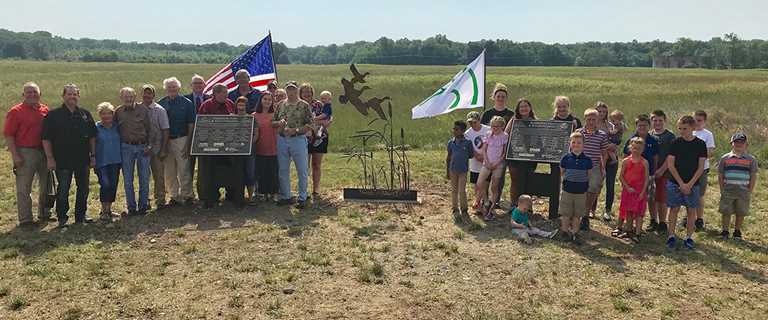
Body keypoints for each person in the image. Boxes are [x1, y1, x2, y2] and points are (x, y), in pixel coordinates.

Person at [42, 84, 97, 227]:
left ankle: (81, 215)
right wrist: (49, 158)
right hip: (62, 159)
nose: (72, 97)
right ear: (63, 96)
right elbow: (46, 138)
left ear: (78, 96)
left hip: (82, 159)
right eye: (69, 94)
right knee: (63, 188)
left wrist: (93, 155)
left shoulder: (85, 114)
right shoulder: (53, 115)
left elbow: (92, 137)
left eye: (75, 94)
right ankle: (62, 216)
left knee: (83, 188)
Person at [4, 82, 51, 227]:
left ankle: (44, 213)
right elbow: (9, 135)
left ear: (40, 94)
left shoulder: (45, 109)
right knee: (24, 187)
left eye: (35, 92)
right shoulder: (15, 111)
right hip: (25, 151)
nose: (32, 95)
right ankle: (26, 219)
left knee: (47, 185)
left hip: (44, 151)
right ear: (23, 95)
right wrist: (15, 155)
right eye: (28, 92)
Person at [665, 115, 707, 250]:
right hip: (675, 182)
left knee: (691, 211)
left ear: (693, 128)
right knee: (674, 209)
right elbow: (670, 164)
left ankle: (689, 237)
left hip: (693, 184)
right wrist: (681, 183)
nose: (682, 131)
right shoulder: (675, 142)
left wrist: (689, 184)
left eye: (685, 128)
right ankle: (671, 236)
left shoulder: (700, 144)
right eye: (680, 128)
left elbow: (701, 167)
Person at [197, 84, 243, 209]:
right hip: (212, 146)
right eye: (224, 93)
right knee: (211, 172)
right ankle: (211, 197)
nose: (226, 95)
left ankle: (231, 195)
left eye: (227, 93)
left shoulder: (229, 103)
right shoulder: (206, 105)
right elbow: (201, 124)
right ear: (216, 93)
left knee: (230, 170)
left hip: (228, 146)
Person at [273, 81, 313, 208]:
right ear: (286, 91)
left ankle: (302, 197)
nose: (291, 91)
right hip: (282, 139)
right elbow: (273, 122)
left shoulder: (304, 105)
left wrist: (295, 130)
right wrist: (279, 123)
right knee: (283, 169)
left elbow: (310, 124)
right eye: (288, 89)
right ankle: (286, 196)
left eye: (293, 89)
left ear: (297, 90)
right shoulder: (280, 105)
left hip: (298, 139)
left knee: (301, 169)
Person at [114, 87, 152, 215]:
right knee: (128, 179)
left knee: (144, 178)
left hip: (143, 147)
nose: (128, 99)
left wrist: (149, 145)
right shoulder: (118, 112)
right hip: (126, 147)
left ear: (135, 96)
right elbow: (115, 130)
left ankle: (143, 206)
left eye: (131, 96)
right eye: (126, 96)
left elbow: (150, 129)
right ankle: (131, 207)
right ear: (121, 97)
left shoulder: (143, 110)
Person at [158, 78, 195, 206]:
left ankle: (188, 195)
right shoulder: (161, 103)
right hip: (166, 141)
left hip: (182, 138)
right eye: (169, 87)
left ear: (179, 88)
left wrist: (189, 142)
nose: (172, 89)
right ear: (166, 89)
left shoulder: (187, 103)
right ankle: (174, 196)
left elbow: (191, 124)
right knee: (169, 170)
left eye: (174, 87)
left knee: (184, 168)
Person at [621, 115, 658, 230]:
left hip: (648, 175)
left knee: (649, 198)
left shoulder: (653, 140)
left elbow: (656, 157)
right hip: (632, 178)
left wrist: (654, 172)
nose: (642, 127)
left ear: (649, 126)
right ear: (636, 126)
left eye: (645, 125)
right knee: (630, 200)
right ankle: (627, 224)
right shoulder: (631, 140)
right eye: (639, 125)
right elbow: (625, 157)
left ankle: (652, 220)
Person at [718, 133, 758, 240]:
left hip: (743, 190)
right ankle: (725, 231)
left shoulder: (751, 159)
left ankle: (737, 231)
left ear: (746, 145)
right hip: (728, 189)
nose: (739, 145)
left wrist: (750, 189)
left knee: (741, 212)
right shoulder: (725, 158)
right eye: (736, 142)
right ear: (732, 144)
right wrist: (722, 188)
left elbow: (753, 175)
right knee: (726, 211)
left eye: (742, 142)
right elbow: (721, 174)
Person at [480, 83, 514, 208]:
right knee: (486, 177)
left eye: (503, 96)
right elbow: (483, 132)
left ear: (506, 98)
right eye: (498, 96)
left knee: (499, 178)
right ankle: (485, 199)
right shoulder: (488, 113)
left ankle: (496, 200)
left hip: (502, 150)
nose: (500, 98)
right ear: (494, 97)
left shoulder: (511, 113)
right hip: (489, 150)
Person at [575, 109, 609, 230]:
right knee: (579, 189)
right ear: (585, 119)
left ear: (597, 120)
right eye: (588, 119)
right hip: (579, 164)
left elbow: (604, 153)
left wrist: (603, 167)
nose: (591, 121)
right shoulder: (578, 132)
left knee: (593, 188)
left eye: (593, 119)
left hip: (594, 165)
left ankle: (585, 214)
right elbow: (572, 149)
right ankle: (576, 215)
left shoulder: (602, 135)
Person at [558, 132, 592, 245]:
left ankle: (575, 233)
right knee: (566, 213)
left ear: (583, 145)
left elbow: (589, 174)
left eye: (579, 142)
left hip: (581, 191)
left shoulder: (587, 160)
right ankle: (564, 231)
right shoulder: (566, 158)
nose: (576, 145)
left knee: (577, 214)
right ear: (570, 144)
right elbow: (562, 172)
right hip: (567, 190)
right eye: (573, 142)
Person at [140, 85, 170, 210]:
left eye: (149, 93)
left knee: (159, 175)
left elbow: (165, 130)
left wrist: (163, 149)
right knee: (143, 176)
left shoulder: (160, 110)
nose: (147, 96)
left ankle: (160, 199)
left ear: (153, 95)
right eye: (145, 93)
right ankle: (144, 200)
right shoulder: (137, 108)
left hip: (157, 148)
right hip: (142, 148)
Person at [614, 137, 650, 243]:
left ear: (642, 149)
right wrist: (627, 187)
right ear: (630, 148)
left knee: (639, 212)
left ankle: (637, 233)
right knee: (627, 210)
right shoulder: (625, 161)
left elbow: (646, 178)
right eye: (634, 148)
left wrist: (643, 192)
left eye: (639, 148)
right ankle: (628, 230)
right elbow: (621, 176)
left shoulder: (645, 162)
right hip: (628, 190)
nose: (636, 150)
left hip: (639, 191)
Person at [503, 98, 536, 208]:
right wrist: (504, 151)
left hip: (530, 157)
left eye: (526, 106)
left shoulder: (535, 121)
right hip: (514, 156)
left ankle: (527, 206)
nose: (524, 108)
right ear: (518, 109)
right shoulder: (513, 120)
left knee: (529, 180)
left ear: (530, 108)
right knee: (515, 180)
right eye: (521, 107)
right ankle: (514, 204)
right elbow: (505, 135)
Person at [301, 84, 332, 198]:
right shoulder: (298, 105)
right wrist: (316, 122)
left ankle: (316, 190)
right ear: (300, 93)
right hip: (303, 138)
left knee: (316, 164)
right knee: (304, 165)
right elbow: (296, 122)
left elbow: (327, 120)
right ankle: (304, 191)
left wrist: (312, 122)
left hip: (320, 137)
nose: (307, 94)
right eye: (304, 91)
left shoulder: (319, 104)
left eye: (309, 91)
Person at [94, 102, 122, 221]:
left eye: (108, 114)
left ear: (112, 114)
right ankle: (103, 210)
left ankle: (109, 209)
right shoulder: (96, 128)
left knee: (113, 185)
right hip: (101, 162)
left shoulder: (117, 127)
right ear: (100, 115)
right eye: (103, 114)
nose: (106, 116)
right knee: (105, 184)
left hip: (115, 160)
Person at [476, 116, 508, 221]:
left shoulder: (504, 136)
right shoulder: (488, 134)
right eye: (493, 126)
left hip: (498, 164)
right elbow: (484, 150)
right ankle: (486, 201)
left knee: (494, 187)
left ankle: (492, 208)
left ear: (502, 126)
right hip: (487, 163)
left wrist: (496, 163)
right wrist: (488, 162)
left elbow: (503, 153)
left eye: (497, 127)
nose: (494, 128)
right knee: (479, 183)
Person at [689, 110, 715, 231]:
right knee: (688, 193)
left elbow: (709, 152)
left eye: (699, 120)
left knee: (699, 194)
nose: (697, 123)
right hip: (688, 169)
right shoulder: (688, 132)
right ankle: (689, 217)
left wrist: (696, 158)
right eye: (694, 120)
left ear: (704, 121)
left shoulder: (707, 134)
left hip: (702, 169)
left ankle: (699, 218)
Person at [650, 110, 675, 233]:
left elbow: (671, 155)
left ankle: (662, 222)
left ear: (664, 121)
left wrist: (662, 169)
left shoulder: (670, 136)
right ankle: (653, 220)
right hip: (650, 171)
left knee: (662, 198)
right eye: (655, 120)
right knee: (651, 197)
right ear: (651, 121)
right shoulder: (649, 135)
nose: (657, 123)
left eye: (660, 120)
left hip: (664, 172)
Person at [594, 102, 620, 221]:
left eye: (604, 112)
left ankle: (608, 210)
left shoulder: (610, 125)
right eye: (599, 111)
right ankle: (591, 209)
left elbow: (616, 141)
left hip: (611, 160)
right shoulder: (591, 125)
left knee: (610, 185)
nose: (601, 114)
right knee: (596, 184)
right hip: (597, 159)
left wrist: (610, 145)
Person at [252, 92, 280, 202]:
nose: (267, 101)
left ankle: (273, 192)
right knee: (261, 170)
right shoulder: (254, 115)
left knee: (273, 170)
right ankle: (262, 192)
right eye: (265, 99)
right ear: (261, 100)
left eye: (269, 99)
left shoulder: (276, 114)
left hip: (274, 146)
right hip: (260, 147)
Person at [446, 120, 474, 222]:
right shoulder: (451, 143)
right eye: (453, 129)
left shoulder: (468, 143)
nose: (454, 131)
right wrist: (447, 171)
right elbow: (448, 157)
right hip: (453, 170)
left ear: (462, 131)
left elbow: (471, 155)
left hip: (463, 170)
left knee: (462, 190)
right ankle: (454, 208)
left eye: (456, 129)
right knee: (454, 190)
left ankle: (464, 208)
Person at [463, 111, 490, 214]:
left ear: (479, 121)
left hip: (487, 159)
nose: (472, 125)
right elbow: (470, 146)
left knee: (485, 183)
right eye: (470, 123)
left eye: (474, 122)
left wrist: (485, 156)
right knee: (476, 184)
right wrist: (476, 156)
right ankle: (479, 204)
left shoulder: (487, 130)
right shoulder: (468, 133)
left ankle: (484, 202)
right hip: (475, 161)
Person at [184, 74, 209, 179]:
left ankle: (204, 189)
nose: (198, 85)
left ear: (204, 85)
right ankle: (189, 191)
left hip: (206, 137)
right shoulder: (185, 100)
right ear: (191, 85)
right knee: (188, 164)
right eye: (195, 83)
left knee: (205, 167)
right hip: (189, 135)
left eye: (200, 83)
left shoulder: (210, 99)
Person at [236, 97, 259, 202]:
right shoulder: (231, 118)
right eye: (239, 105)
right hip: (235, 151)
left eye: (243, 105)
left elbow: (256, 134)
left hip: (250, 150)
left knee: (250, 172)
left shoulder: (251, 118)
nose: (241, 107)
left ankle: (250, 196)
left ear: (246, 106)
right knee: (238, 173)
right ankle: (238, 196)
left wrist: (250, 145)